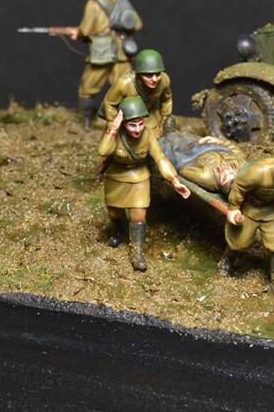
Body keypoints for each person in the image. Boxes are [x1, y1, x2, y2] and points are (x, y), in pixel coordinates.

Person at [97, 96, 189, 271]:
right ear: (123, 123)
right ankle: (120, 230)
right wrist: (113, 128)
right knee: (114, 213)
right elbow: (103, 150)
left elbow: (160, 158)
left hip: (139, 176)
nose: (138, 129)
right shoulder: (114, 133)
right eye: (132, 125)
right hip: (116, 176)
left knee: (138, 215)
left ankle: (136, 251)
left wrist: (174, 180)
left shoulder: (147, 134)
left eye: (141, 124)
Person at [220, 145, 274, 305]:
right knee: (239, 243)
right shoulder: (258, 173)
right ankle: (227, 263)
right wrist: (234, 208)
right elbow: (239, 187)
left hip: (273, 210)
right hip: (250, 208)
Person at [67, 0, 143, 129]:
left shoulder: (93, 4)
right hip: (122, 53)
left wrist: (78, 33)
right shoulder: (122, 0)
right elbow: (137, 24)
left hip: (101, 54)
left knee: (87, 88)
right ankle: (132, 122)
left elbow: (86, 30)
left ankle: (86, 123)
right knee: (127, 90)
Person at [101, 49, 173, 138]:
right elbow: (109, 102)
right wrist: (113, 123)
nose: (155, 79)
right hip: (126, 118)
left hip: (148, 116)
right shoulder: (124, 83)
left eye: (158, 74)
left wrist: (165, 119)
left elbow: (167, 99)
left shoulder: (164, 80)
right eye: (148, 76)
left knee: (155, 139)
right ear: (139, 74)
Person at [158, 131, 244, 196]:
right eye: (231, 173)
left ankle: (165, 137)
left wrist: (191, 152)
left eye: (224, 177)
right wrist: (219, 141)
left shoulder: (205, 177)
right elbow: (235, 150)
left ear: (221, 184)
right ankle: (172, 133)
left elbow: (184, 169)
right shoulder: (241, 166)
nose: (226, 171)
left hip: (194, 152)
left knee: (174, 148)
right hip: (214, 146)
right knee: (188, 136)